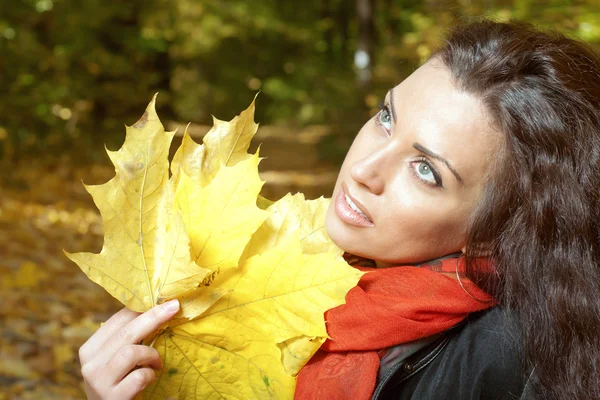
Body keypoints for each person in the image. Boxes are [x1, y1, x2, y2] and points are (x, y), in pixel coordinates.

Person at [78, 20, 600, 399]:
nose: (364, 169)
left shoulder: (512, 361)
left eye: (426, 171)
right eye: (386, 117)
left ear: (490, 233)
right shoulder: (257, 267)